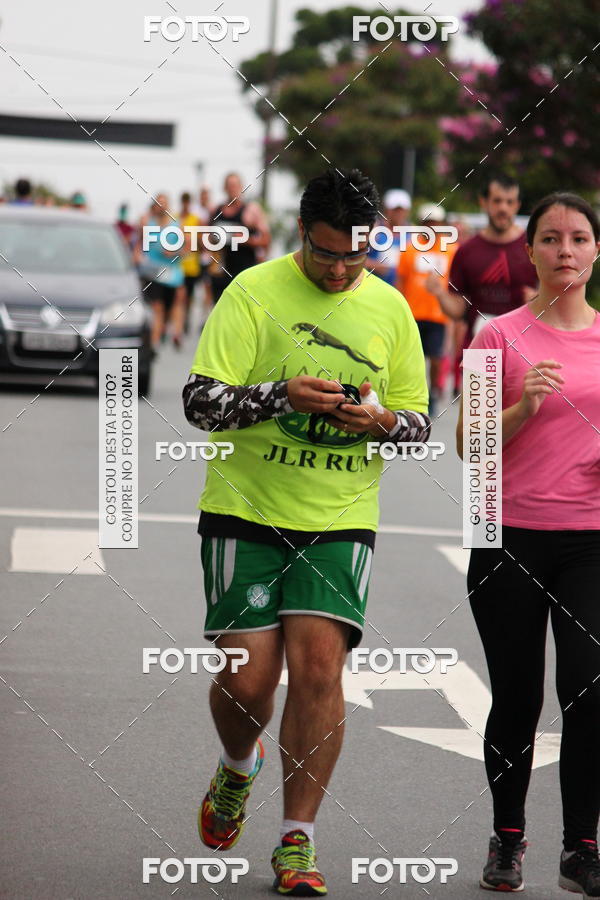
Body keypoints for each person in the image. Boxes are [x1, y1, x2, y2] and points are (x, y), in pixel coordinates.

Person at [183, 168, 431, 896]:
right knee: (248, 679)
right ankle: (237, 767)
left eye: (356, 256)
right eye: (327, 254)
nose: (341, 269)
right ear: (303, 235)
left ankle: (298, 841)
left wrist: (380, 420)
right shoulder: (252, 292)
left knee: (321, 671)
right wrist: (279, 395)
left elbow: (417, 425)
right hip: (245, 508)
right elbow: (200, 401)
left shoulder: (389, 309)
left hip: (339, 518)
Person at [456, 193, 600, 894]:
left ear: (596, 251)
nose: (564, 251)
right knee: (517, 697)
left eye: (577, 238)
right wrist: (524, 407)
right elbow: (467, 446)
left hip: (591, 542)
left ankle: (582, 847)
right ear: (531, 253)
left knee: (590, 690)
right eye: (550, 239)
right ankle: (507, 840)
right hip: (505, 534)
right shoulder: (497, 336)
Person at [427, 173, 538, 340]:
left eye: (509, 202)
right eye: (497, 201)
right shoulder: (466, 251)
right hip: (479, 348)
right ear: (484, 202)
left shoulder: (533, 248)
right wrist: (440, 294)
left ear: (517, 205)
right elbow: (458, 310)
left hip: (522, 344)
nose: (503, 208)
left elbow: (554, 297)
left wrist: (541, 300)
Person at [396, 203, 458, 416]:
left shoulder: (451, 250)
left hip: (437, 313)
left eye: (436, 223)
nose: (432, 228)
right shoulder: (410, 249)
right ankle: (413, 394)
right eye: (428, 223)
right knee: (413, 358)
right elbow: (401, 281)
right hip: (412, 313)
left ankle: (432, 393)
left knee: (436, 357)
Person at [208, 171, 271, 303]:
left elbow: (266, 240)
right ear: (224, 188)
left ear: (241, 187)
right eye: (229, 186)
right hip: (221, 272)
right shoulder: (216, 210)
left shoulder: (251, 210)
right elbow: (206, 239)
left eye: (235, 186)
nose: (232, 189)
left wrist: (247, 240)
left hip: (244, 272)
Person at [135, 193, 186, 350]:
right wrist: (137, 257)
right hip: (153, 272)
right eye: (158, 203)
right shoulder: (146, 222)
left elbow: (187, 248)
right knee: (157, 307)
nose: (161, 206)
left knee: (175, 305)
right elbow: (138, 244)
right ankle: (155, 342)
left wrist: (174, 252)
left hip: (173, 274)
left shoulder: (177, 224)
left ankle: (175, 332)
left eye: (164, 203)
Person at [368, 188, 411, 284]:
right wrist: (375, 266)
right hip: (376, 289)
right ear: (386, 210)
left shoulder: (413, 234)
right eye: (395, 210)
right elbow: (357, 259)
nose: (398, 214)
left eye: (401, 210)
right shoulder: (374, 231)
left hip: (402, 293)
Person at [179, 191, 202, 333]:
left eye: (188, 201)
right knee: (179, 297)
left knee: (189, 296)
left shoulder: (196, 220)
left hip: (192, 266)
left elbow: (200, 242)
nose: (186, 204)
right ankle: (179, 322)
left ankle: (186, 318)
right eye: (184, 201)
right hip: (178, 266)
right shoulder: (176, 219)